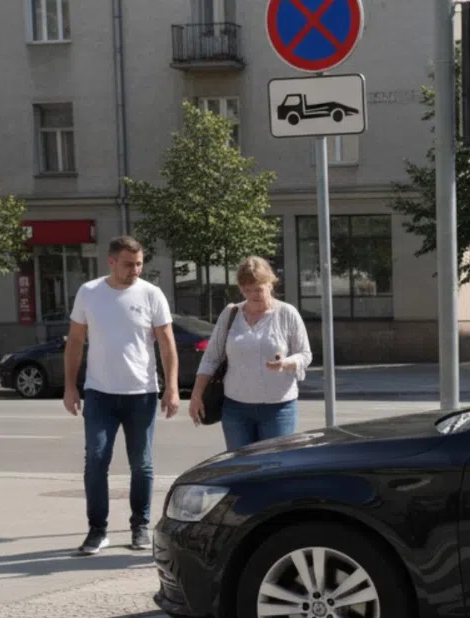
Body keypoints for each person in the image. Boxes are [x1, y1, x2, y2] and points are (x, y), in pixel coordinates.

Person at [63, 235, 179, 556]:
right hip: (99, 393)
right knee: (96, 460)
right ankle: (97, 530)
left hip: (141, 392)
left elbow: (167, 344)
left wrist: (171, 387)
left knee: (141, 465)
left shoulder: (151, 294)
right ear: (111, 262)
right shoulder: (90, 293)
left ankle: (140, 526)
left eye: (140, 263)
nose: (136, 270)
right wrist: (70, 386)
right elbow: (75, 341)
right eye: (129, 264)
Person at [190, 256, 312, 450]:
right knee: (240, 467)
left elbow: (305, 354)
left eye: (258, 288)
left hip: (278, 408)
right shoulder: (231, 314)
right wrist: (196, 395)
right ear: (240, 288)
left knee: (275, 465)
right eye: (247, 290)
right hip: (236, 408)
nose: (253, 294)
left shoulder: (287, 313)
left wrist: (287, 363)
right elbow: (211, 358)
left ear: (271, 284)